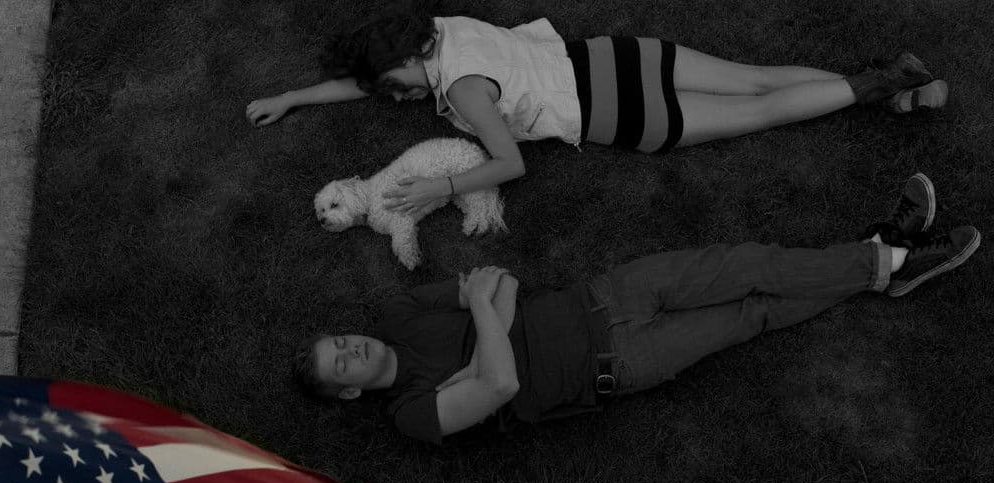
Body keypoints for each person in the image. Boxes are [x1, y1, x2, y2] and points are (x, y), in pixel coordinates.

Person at [290, 174, 980, 444]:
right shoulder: (412, 414)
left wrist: (482, 332)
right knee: (756, 313)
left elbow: (502, 280)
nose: (353, 349)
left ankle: (886, 261)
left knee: (750, 262)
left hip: (607, 294)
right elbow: (500, 384)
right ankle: (889, 258)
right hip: (617, 363)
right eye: (342, 364)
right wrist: (483, 318)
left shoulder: (400, 313)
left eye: (341, 341)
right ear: (349, 391)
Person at [246, 10, 949, 216]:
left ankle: (876, 86)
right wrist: (293, 97)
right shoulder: (440, 29)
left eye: (392, 84)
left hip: (620, 112)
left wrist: (441, 186)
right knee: (758, 79)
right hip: (620, 58)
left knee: (763, 112)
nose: (392, 94)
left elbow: (510, 164)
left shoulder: (460, 91)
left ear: (406, 60)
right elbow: (367, 82)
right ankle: (895, 86)